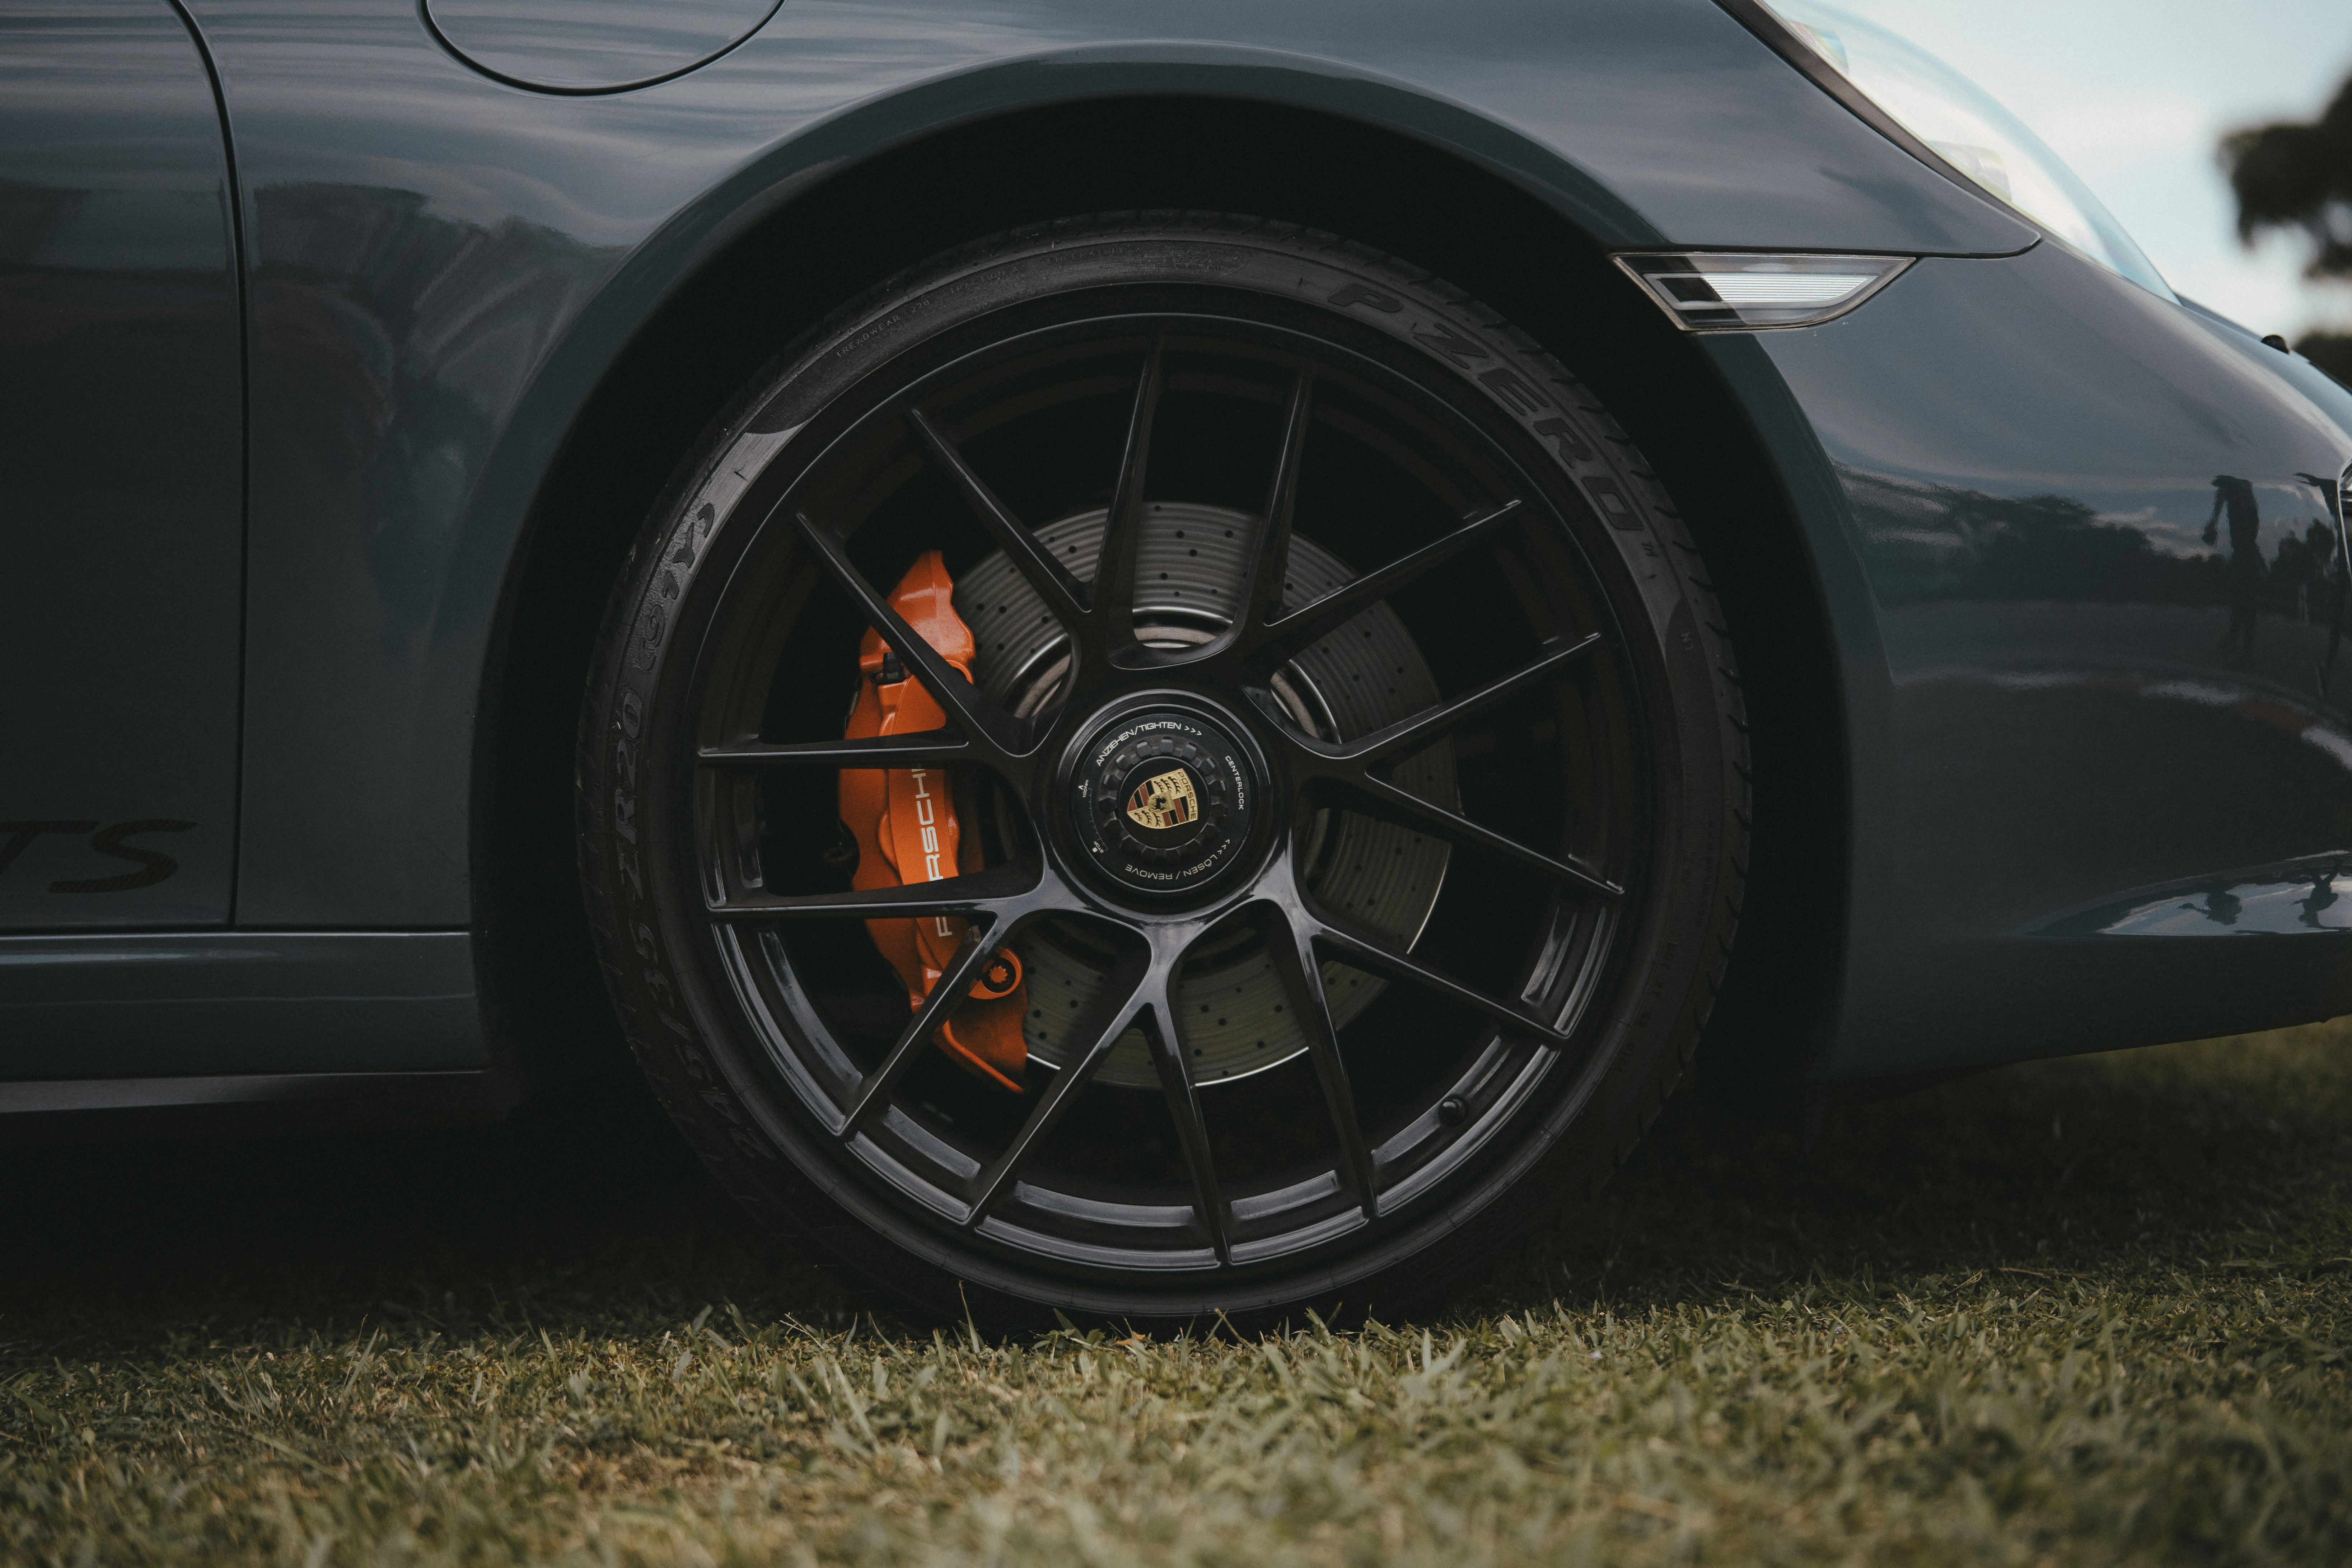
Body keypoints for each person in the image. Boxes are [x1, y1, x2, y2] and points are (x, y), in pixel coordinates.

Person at [2205, 475, 2263, 659]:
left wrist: (2213, 523)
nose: (2220, 495)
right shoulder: (2245, 494)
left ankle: (2241, 640)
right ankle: (2243, 640)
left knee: (2243, 595)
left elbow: (2221, 503)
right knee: (2245, 596)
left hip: (2244, 549)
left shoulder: (2238, 495)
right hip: (2246, 548)